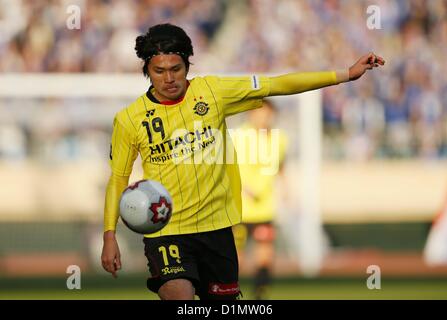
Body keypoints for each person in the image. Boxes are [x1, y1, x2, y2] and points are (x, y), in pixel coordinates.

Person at [101, 23, 385, 300]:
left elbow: (278, 84)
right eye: (159, 71)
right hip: (167, 232)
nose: (169, 78)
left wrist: (345, 74)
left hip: (219, 229)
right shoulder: (129, 119)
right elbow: (118, 178)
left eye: (176, 69)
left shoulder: (213, 91)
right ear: (147, 71)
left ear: (188, 65)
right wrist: (110, 235)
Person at [232, 99, 288, 300]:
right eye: (259, 113)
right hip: (238, 207)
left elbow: (281, 165)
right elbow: (227, 166)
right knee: (235, 257)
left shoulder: (279, 139)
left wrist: (287, 189)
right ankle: (229, 293)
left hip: (265, 207)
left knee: (265, 256)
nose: (263, 117)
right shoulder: (238, 136)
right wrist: (242, 187)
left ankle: (259, 295)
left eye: (267, 113)